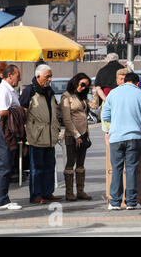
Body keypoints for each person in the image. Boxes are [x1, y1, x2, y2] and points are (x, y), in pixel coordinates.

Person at [102, 72, 141, 210]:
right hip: (134, 137)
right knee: (131, 169)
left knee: (116, 169)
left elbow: (105, 114)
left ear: (125, 81)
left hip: (116, 137)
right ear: (137, 83)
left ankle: (115, 203)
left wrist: (117, 123)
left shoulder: (113, 93)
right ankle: (131, 202)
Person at [20, 64, 62, 204]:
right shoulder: (29, 90)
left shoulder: (49, 90)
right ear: (38, 76)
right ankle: (36, 195)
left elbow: (55, 110)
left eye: (50, 76)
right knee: (37, 167)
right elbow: (22, 111)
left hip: (50, 136)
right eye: (47, 76)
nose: (50, 79)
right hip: (37, 136)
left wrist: (56, 128)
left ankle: (47, 192)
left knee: (50, 166)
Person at [60, 73, 99, 201]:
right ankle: (69, 192)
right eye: (82, 84)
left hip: (84, 133)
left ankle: (80, 191)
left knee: (81, 164)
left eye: (86, 86)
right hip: (72, 135)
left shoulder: (82, 97)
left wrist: (93, 91)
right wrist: (76, 135)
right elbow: (66, 119)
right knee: (71, 163)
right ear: (75, 82)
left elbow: (95, 106)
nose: (84, 87)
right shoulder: (66, 96)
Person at [0, 65, 23, 210]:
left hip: (7, 129)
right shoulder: (3, 90)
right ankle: (1, 200)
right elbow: (2, 111)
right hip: (3, 129)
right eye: (17, 75)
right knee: (4, 166)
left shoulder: (9, 89)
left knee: (6, 165)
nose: (19, 78)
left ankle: (1, 198)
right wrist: (21, 110)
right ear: (9, 75)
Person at [94, 53, 125, 148]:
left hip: (107, 102)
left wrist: (106, 99)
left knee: (107, 130)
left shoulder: (101, 71)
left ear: (107, 61)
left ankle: (109, 150)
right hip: (123, 102)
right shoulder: (124, 70)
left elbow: (98, 88)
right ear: (118, 60)